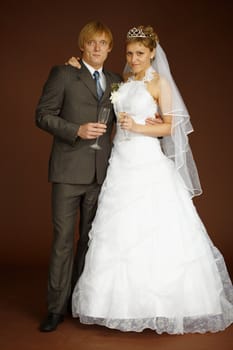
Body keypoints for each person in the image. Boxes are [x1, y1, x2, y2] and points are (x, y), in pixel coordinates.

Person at [70, 25, 233, 334]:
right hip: (120, 161)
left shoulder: (160, 84)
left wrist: (138, 127)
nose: (134, 59)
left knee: (153, 228)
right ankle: (114, 305)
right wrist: (74, 63)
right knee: (119, 230)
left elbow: (170, 127)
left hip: (146, 160)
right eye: (130, 53)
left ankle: (161, 306)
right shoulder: (123, 81)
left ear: (153, 53)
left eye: (140, 53)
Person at [35, 20, 122, 332]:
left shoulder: (116, 80)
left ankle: (79, 301)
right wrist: (76, 130)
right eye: (91, 43)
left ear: (110, 48)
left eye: (102, 43)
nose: (97, 48)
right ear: (82, 46)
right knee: (63, 241)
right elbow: (42, 115)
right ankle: (55, 308)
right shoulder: (63, 73)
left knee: (90, 240)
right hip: (68, 171)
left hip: (102, 174)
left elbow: (125, 116)